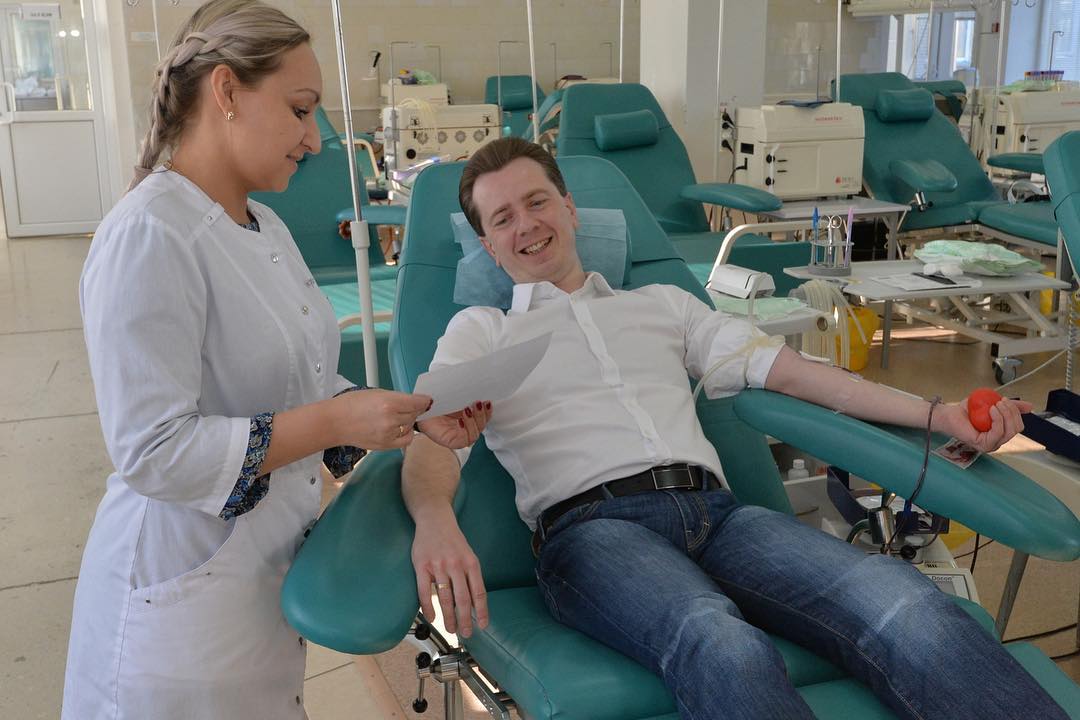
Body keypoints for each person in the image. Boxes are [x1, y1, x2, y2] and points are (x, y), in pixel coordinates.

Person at [405, 137, 1067, 720]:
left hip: (721, 517)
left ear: (571, 208)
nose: (527, 224)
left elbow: (794, 374)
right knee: (721, 642)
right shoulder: (483, 331)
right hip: (593, 533)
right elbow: (433, 433)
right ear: (489, 246)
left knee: (903, 599)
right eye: (503, 218)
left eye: (537, 201)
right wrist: (434, 518)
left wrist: (936, 414)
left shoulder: (663, 305)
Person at [61, 2, 489, 717]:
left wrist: (410, 422)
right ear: (226, 91)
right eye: (300, 110)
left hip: (258, 579)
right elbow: (152, 451)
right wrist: (335, 422)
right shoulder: (150, 234)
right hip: (178, 603)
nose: (314, 139)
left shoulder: (263, 226)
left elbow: (306, 383)